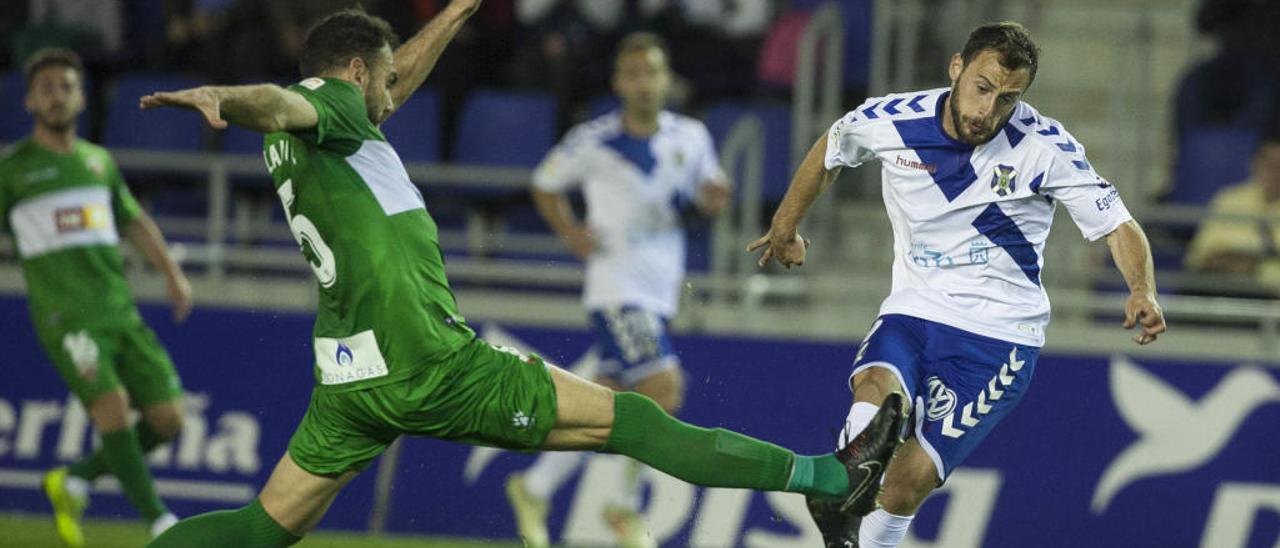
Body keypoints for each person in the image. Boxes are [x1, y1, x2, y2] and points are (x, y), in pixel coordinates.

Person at [139, 4, 901, 546]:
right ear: (349, 74)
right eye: (380, 84)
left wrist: (461, 11)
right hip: (428, 360)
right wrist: (223, 98)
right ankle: (831, 483)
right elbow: (278, 103)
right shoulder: (321, 103)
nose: (392, 96)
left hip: (348, 374)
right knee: (634, 422)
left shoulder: (337, 132)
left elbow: (380, 78)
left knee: (261, 528)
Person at [749, 22, 1168, 547]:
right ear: (956, 69)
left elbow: (1117, 224)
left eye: (1008, 98)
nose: (988, 111)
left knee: (903, 485)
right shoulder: (891, 119)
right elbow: (833, 148)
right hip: (913, 308)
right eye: (982, 88)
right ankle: (844, 497)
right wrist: (786, 225)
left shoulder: (1045, 147)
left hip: (998, 335)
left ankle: (853, 508)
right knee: (874, 388)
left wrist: (1141, 288)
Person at [504, 31, 731, 548]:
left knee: (603, 401)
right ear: (617, 83)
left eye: (652, 71)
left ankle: (533, 486)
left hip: (660, 288)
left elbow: (704, 192)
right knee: (664, 387)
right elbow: (544, 183)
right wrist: (570, 232)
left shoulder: (691, 136)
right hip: (615, 286)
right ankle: (623, 509)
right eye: (633, 74)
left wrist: (713, 199)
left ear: (667, 78)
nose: (644, 83)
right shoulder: (594, 139)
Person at [0, 48, 193, 547]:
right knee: (113, 408)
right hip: (67, 319)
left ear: (81, 97)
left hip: (119, 311)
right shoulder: (13, 170)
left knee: (169, 420)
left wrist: (172, 273)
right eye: (46, 89)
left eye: (66, 86)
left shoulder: (98, 161)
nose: (57, 96)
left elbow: (133, 221)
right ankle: (159, 522)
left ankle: (76, 479)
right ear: (29, 103)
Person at [1185, 132, 1280, 292]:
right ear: (1254, 164)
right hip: (1223, 284)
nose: (1275, 172)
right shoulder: (1228, 199)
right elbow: (1201, 255)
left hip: (1271, 294)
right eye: (1268, 163)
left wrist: (1254, 264)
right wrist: (1237, 263)